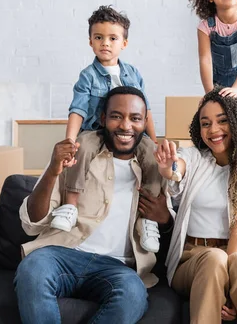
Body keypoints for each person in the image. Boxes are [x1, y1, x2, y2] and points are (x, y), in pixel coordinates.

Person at [15, 87, 174, 324]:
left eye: (135, 118)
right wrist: (51, 171)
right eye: (116, 116)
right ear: (103, 119)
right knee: (32, 270)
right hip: (62, 254)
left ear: (144, 122)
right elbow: (32, 224)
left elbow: (174, 234)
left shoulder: (157, 170)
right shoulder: (76, 156)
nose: (125, 126)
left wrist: (165, 220)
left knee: (133, 294)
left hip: (117, 267)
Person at [155, 87, 237, 324]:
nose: (213, 130)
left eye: (222, 121)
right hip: (194, 259)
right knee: (214, 258)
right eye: (205, 123)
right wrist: (168, 168)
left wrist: (233, 291)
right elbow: (177, 169)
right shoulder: (194, 158)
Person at [52, 5, 161, 253]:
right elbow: (77, 109)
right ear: (90, 42)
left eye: (113, 38)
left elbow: (147, 111)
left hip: (131, 135)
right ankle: (70, 206)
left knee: (153, 159)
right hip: (97, 131)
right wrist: (69, 140)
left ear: (124, 43)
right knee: (82, 147)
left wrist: (155, 140)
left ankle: (147, 220)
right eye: (99, 37)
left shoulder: (133, 73)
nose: (105, 43)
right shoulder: (87, 76)